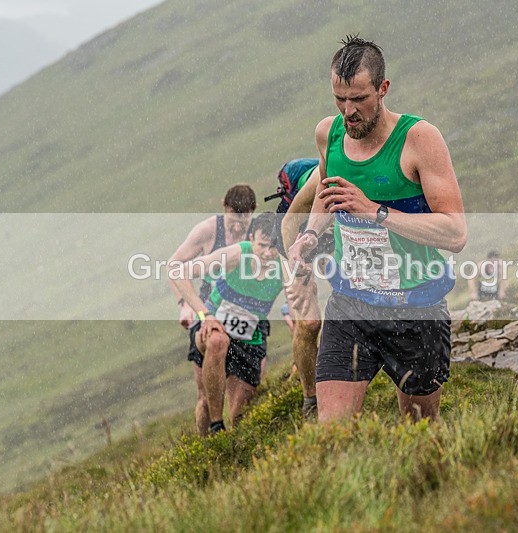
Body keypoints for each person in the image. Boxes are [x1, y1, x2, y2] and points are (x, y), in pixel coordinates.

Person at [288, 35, 467, 424]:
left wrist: (375, 212)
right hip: (350, 305)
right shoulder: (329, 134)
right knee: (332, 434)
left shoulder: (419, 140)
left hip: (416, 307)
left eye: (359, 99)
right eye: (339, 99)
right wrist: (311, 235)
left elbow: (455, 233)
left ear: (383, 89)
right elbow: (326, 190)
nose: (348, 112)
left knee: (420, 429)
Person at [170, 213, 283, 432]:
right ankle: (214, 425)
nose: (267, 254)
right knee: (217, 344)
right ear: (251, 239)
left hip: (249, 339)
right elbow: (179, 272)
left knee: (242, 420)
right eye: (262, 246)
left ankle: (230, 451)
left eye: (274, 248)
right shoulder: (235, 255)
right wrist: (205, 316)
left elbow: (300, 299)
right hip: (213, 326)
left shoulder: (284, 265)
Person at [168, 185, 256, 436]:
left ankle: (240, 445)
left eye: (244, 220)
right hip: (207, 313)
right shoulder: (208, 230)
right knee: (206, 396)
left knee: (245, 394)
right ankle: (206, 445)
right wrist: (184, 306)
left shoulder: (258, 233)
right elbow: (174, 266)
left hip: (244, 317)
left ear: (254, 211)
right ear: (223, 207)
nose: (238, 228)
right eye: (233, 220)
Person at [279, 163, 334, 420]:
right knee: (309, 321)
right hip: (295, 232)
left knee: (352, 303)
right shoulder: (325, 173)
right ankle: (310, 400)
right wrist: (299, 274)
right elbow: (290, 222)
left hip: (333, 232)